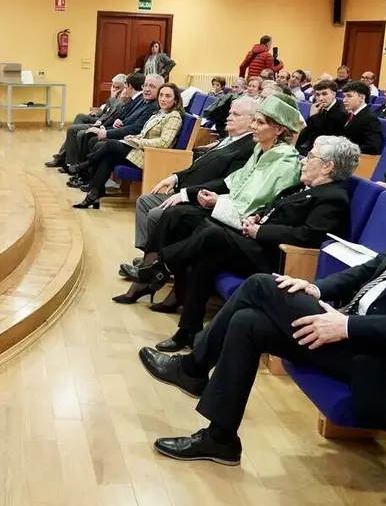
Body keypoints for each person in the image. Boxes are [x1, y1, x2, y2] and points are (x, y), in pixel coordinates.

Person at [142, 153, 386, 465]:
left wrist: (349, 327)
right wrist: (316, 286)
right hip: (353, 337)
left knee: (259, 285)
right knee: (248, 321)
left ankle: (193, 368)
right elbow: (372, 268)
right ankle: (220, 438)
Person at [137, 135, 357, 351]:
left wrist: (261, 230)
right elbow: (272, 206)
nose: (303, 160)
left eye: (310, 157)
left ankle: (161, 265)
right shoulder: (301, 187)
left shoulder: (333, 197)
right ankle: (187, 331)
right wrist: (258, 217)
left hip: (278, 258)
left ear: (328, 167)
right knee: (208, 252)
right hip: (255, 246)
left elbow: (308, 236)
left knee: (213, 235)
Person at [115, 94, 303, 305]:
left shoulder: (284, 161)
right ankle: (153, 276)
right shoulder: (261, 149)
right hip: (229, 208)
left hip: (247, 225)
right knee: (174, 213)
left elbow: (257, 202)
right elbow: (236, 182)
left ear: (279, 129)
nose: (254, 126)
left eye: (259, 122)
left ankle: (158, 274)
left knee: (179, 216)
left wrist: (216, 201)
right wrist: (213, 197)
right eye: (254, 120)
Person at [122, 98, 257, 278]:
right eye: (230, 112)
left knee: (156, 213)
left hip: (202, 198)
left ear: (252, 120)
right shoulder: (228, 139)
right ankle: (150, 255)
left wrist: (186, 194)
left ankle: (156, 265)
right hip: (185, 190)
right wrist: (176, 177)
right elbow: (198, 165)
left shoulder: (248, 147)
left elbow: (227, 182)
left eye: (236, 114)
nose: (229, 117)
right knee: (145, 201)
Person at [72, 81, 183, 208]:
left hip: (154, 157)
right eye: (161, 95)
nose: (163, 99)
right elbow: (145, 133)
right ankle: (93, 194)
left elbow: (164, 142)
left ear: (175, 100)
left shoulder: (174, 117)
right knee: (109, 157)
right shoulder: (159, 113)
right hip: (143, 150)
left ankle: (85, 164)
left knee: (111, 145)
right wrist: (136, 137)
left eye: (168, 96)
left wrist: (139, 142)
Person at [67, 75, 163, 188]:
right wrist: (112, 124)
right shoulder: (143, 100)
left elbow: (136, 128)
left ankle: (87, 177)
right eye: (145, 85)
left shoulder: (153, 106)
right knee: (90, 135)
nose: (146, 89)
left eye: (151, 86)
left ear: (159, 90)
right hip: (122, 132)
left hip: (133, 141)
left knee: (97, 142)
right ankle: (86, 177)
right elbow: (125, 117)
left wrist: (106, 132)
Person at [45, 74, 127, 168]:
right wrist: (97, 113)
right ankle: (64, 156)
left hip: (105, 123)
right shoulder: (114, 94)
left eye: (117, 87)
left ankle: (65, 159)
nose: (114, 88)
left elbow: (112, 112)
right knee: (80, 116)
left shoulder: (122, 97)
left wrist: (112, 98)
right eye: (113, 86)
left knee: (73, 129)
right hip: (101, 118)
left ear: (123, 87)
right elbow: (105, 109)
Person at [294, 79, 347, 156]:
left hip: (325, 153)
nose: (321, 98)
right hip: (313, 147)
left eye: (324, 94)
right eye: (318, 95)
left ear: (333, 94)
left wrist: (313, 117)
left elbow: (324, 138)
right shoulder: (319, 107)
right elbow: (306, 133)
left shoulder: (340, 113)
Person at [341, 80, 384, 154]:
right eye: (344, 96)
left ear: (362, 97)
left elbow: (372, 147)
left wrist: (344, 149)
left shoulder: (370, 118)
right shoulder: (350, 114)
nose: (344, 100)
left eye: (349, 96)